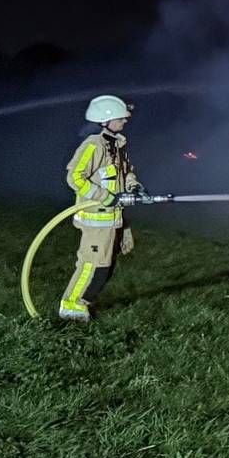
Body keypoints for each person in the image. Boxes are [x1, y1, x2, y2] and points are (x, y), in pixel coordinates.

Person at [58, 94, 141, 321]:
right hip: (97, 219)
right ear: (106, 120)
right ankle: (71, 307)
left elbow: (127, 172)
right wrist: (105, 197)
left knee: (105, 267)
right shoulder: (93, 146)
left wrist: (133, 187)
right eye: (121, 117)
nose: (125, 120)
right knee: (92, 265)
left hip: (114, 218)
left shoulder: (117, 145)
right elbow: (75, 176)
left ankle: (84, 303)